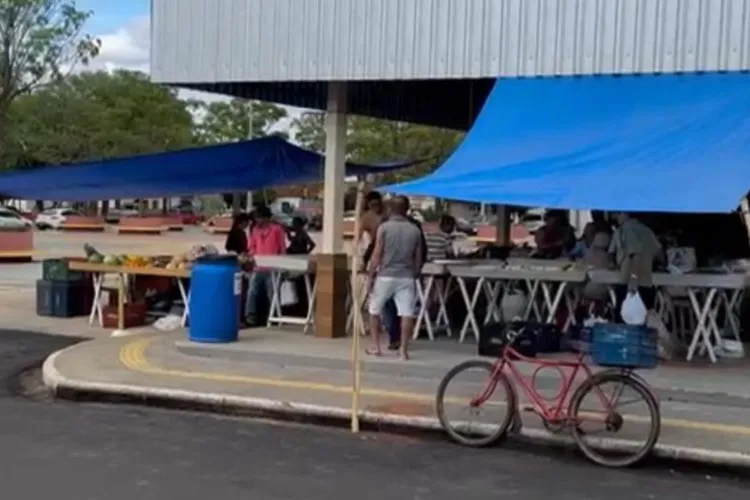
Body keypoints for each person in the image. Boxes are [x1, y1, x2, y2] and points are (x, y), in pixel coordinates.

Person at [366, 196, 424, 360]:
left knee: (374, 310)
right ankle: (403, 350)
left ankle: (376, 347)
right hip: (406, 276)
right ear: (407, 210)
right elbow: (418, 258)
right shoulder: (415, 230)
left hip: (385, 275)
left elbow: (377, 254)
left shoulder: (384, 228)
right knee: (406, 313)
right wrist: (415, 273)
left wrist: (371, 275)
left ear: (390, 209)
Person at [609, 212, 661, 322]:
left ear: (624, 213)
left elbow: (635, 254)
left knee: (623, 321)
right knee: (646, 323)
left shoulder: (627, 230)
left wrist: (633, 278)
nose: (615, 218)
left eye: (617, 214)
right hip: (647, 281)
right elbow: (658, 252)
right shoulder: (647, 230)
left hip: (630, 283)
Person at [245, 205, 287, 326]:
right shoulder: (255, 230)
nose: (258, 221)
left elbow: (282, 248)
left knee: (272, 293)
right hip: (258, 266)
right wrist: (252, 256)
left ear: (267, 218)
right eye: (257, 218)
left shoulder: (277, 230)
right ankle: (250, 314)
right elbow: (251, 247)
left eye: (260, 218)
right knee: (252, 291)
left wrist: (282, 264)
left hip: (273, 267)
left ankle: (274, 315)